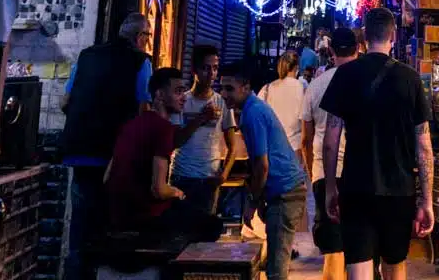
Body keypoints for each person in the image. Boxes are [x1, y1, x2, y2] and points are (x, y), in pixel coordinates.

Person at [320, 7, 434, 280]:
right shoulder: (411, 79)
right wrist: (427, 200)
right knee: (394, 266)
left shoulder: (345, 75)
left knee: (358, 268)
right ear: (393, 36)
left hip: (357, 188)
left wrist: (330, 189)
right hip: (399, 190)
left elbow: (330, 141)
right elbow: (424, 146)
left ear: (364, 39)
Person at [60, 13, 154, 280]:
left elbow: (64, 103)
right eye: (148, 36)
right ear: (140, 37)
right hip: (113, 157)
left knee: (79, 229)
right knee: (108, 227)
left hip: (79, 152)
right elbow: (143, 110)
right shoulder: (140, 62)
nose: (148, 42)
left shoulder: (87, 56)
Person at [106, 67, 223, 245]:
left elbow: (107, 177)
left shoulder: (131, 124)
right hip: (145, 215)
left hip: (117, 212)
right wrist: (177, 192)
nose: (183, 97)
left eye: (184, 91)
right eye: (177, 91)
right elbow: (159, 189)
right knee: (212, 225)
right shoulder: (163, 128)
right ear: (160, 95)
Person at [220, 61, 307, 280]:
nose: (223, 94)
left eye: (229, 88)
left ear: (246, 87)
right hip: (283, 190)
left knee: (276, 269)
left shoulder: (253, 114)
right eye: (221, 88)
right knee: (274, 263)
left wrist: (252, 200)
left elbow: (262, 165)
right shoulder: (250, 110)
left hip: (286, 191)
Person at [301, 28, 357, 280]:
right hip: (362, 173)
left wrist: (313, 170)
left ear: (331, 50)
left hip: (325, 174)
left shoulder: (315, 86)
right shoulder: (367, 81)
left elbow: (306, 138)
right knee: (361, 252)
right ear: (359, 49)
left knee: (334, 251)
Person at [171, 44, 238, 214]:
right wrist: (201, 118)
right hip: (181, 176)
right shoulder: (182, 101)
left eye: (215, 68)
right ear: (194, 70)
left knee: (203, 234)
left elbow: (233, 146)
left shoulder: (222, 102)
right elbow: (176, 140)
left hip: (209, 179)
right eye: (206, 68)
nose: (211, 74)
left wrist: (223, 175)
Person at [260, 49, 305, 160]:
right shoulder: (303, 88)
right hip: (295, 149)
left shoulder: (267, 89)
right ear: (296, 67)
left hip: (271, 149)